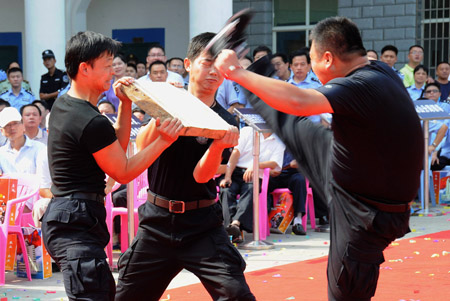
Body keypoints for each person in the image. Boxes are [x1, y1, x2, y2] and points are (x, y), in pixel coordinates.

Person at [214, 16, 423, 300]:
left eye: (311, 60)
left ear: (327, 58)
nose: (311, 67)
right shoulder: (382, 72)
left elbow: (300, 102)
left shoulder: (359, 85)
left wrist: (236, 73)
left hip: (364, 209)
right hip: (348, 169)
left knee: (346, 292)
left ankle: (252, 72)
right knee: (292, 125)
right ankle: (256, 70)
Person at [40, 31, 184, 301]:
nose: (113, 72)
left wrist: (126, 103)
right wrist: (163, 141)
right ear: (84, 68)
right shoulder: (87, 119)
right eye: (106, 65)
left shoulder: (64, 104)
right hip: (75, 222)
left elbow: (114, 145)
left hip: (71, 217)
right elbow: (122, 171)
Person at [115, 32, 255, 301]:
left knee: (237, 295)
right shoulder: (168, 100)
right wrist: (159, 117)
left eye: (220, 66)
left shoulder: (226, 121)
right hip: (156, 222)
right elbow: (142, 146)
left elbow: (202, 175)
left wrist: (217, 145)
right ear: (189, 64)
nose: (214, 71)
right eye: (207, 63)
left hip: (202, 225)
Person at [219, 126, 285, 242]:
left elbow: (275, 163)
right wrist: (227, 176)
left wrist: (256, 165)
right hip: (236, 171)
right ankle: (234, 230)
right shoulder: (247, 131)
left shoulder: (278, 140)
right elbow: (235, 154)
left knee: (251, 190)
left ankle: (235, 224)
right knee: (226, 190)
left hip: (256, 175)